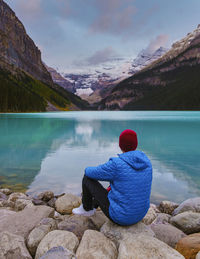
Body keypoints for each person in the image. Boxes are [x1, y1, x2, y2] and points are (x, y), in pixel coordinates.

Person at [72, 129, 153, 226]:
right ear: (136, 144)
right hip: (140, 214)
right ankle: (93, 205)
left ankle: (86, 209)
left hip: (122, 217)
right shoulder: (147, 162)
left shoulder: (117, 164)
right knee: (113, 187)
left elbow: (89, 172)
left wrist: (88, 168)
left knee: (87, 178)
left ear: (120, 145)